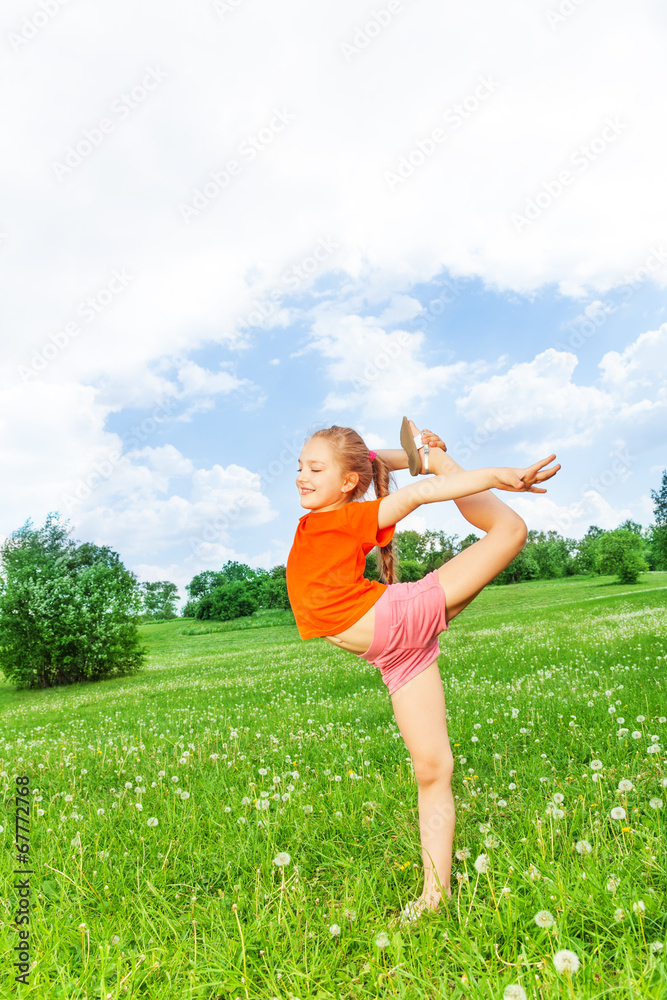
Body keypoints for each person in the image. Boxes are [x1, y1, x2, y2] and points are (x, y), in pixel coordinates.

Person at [285, 418, 560, 923]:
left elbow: (420, 495)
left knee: (512, 530)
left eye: (314, 467)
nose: (301, 476)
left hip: (401, 615)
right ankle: (435, 899)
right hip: (394, 653)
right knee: (433, 770)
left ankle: (442, 457)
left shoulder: (350, 517)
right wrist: (411, 453)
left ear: (345, 482)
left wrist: (494, 473)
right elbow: (371, 464)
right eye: (299, 466)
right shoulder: (334, 512)